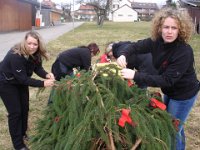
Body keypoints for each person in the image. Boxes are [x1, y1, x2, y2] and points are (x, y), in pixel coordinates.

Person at [117, 7, 200, 150]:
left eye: (174, 28)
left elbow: (166, 80)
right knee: (174, 124)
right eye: (166, 27)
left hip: (183, 95)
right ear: (160, 28)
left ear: (180, 30)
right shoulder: (156, 42)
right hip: (169, 91)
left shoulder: (183, 51)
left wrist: (135, 75)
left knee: (171, 129)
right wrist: (123, 54)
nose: (169, 31)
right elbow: (135, 47)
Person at [0, 31, 55, 150]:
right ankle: (18, 145)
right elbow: (23, 79)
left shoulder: (36, 54)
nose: (32, 47)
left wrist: (46, 75)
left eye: (35, 44)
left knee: (24, 108)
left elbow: (37, 68)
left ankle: (22, 133)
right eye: (29, 43)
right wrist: (43, 83)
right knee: (15, 112)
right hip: (6, 83)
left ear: (39, 44)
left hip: (20, 81)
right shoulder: (15, 55)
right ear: (25, 41)